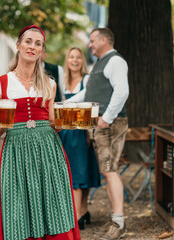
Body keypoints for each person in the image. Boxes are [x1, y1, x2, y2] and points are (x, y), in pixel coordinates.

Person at [0, 25, 81, 240]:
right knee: (18, 204)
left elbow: (52, 122)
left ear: (41, 51)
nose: (32, 46)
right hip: (17, 150)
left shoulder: (50, 83)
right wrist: (2, 120)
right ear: (18, 45)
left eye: (38, 44)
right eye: (28, 41)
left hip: (48, 151)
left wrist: (70, 121)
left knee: (52, 202)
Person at [68, 27, 129, 240]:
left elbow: (122, 91)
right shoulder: (99, 64)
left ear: (104, 40)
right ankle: (116, 221)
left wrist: (107, 118)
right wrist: (64, 104)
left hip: (109, 124)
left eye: (93, 40)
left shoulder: (116, 62)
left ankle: (119, 223)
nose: (90, 44)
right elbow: (88, 93)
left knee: (110, 170)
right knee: (107, 171)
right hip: (101, 124)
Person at [58, 47, 100, 230]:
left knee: (80, 172)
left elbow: (91, 106)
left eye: (78, 57)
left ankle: (77, 215)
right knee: (72, 172)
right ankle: (82, 211)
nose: (74, 60)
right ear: (67, 61)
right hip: (64, 131)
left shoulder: (87, 80)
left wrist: (90, 131)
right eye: (71, 57)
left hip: (80, 130)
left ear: (82, 61)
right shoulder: (62, 81)